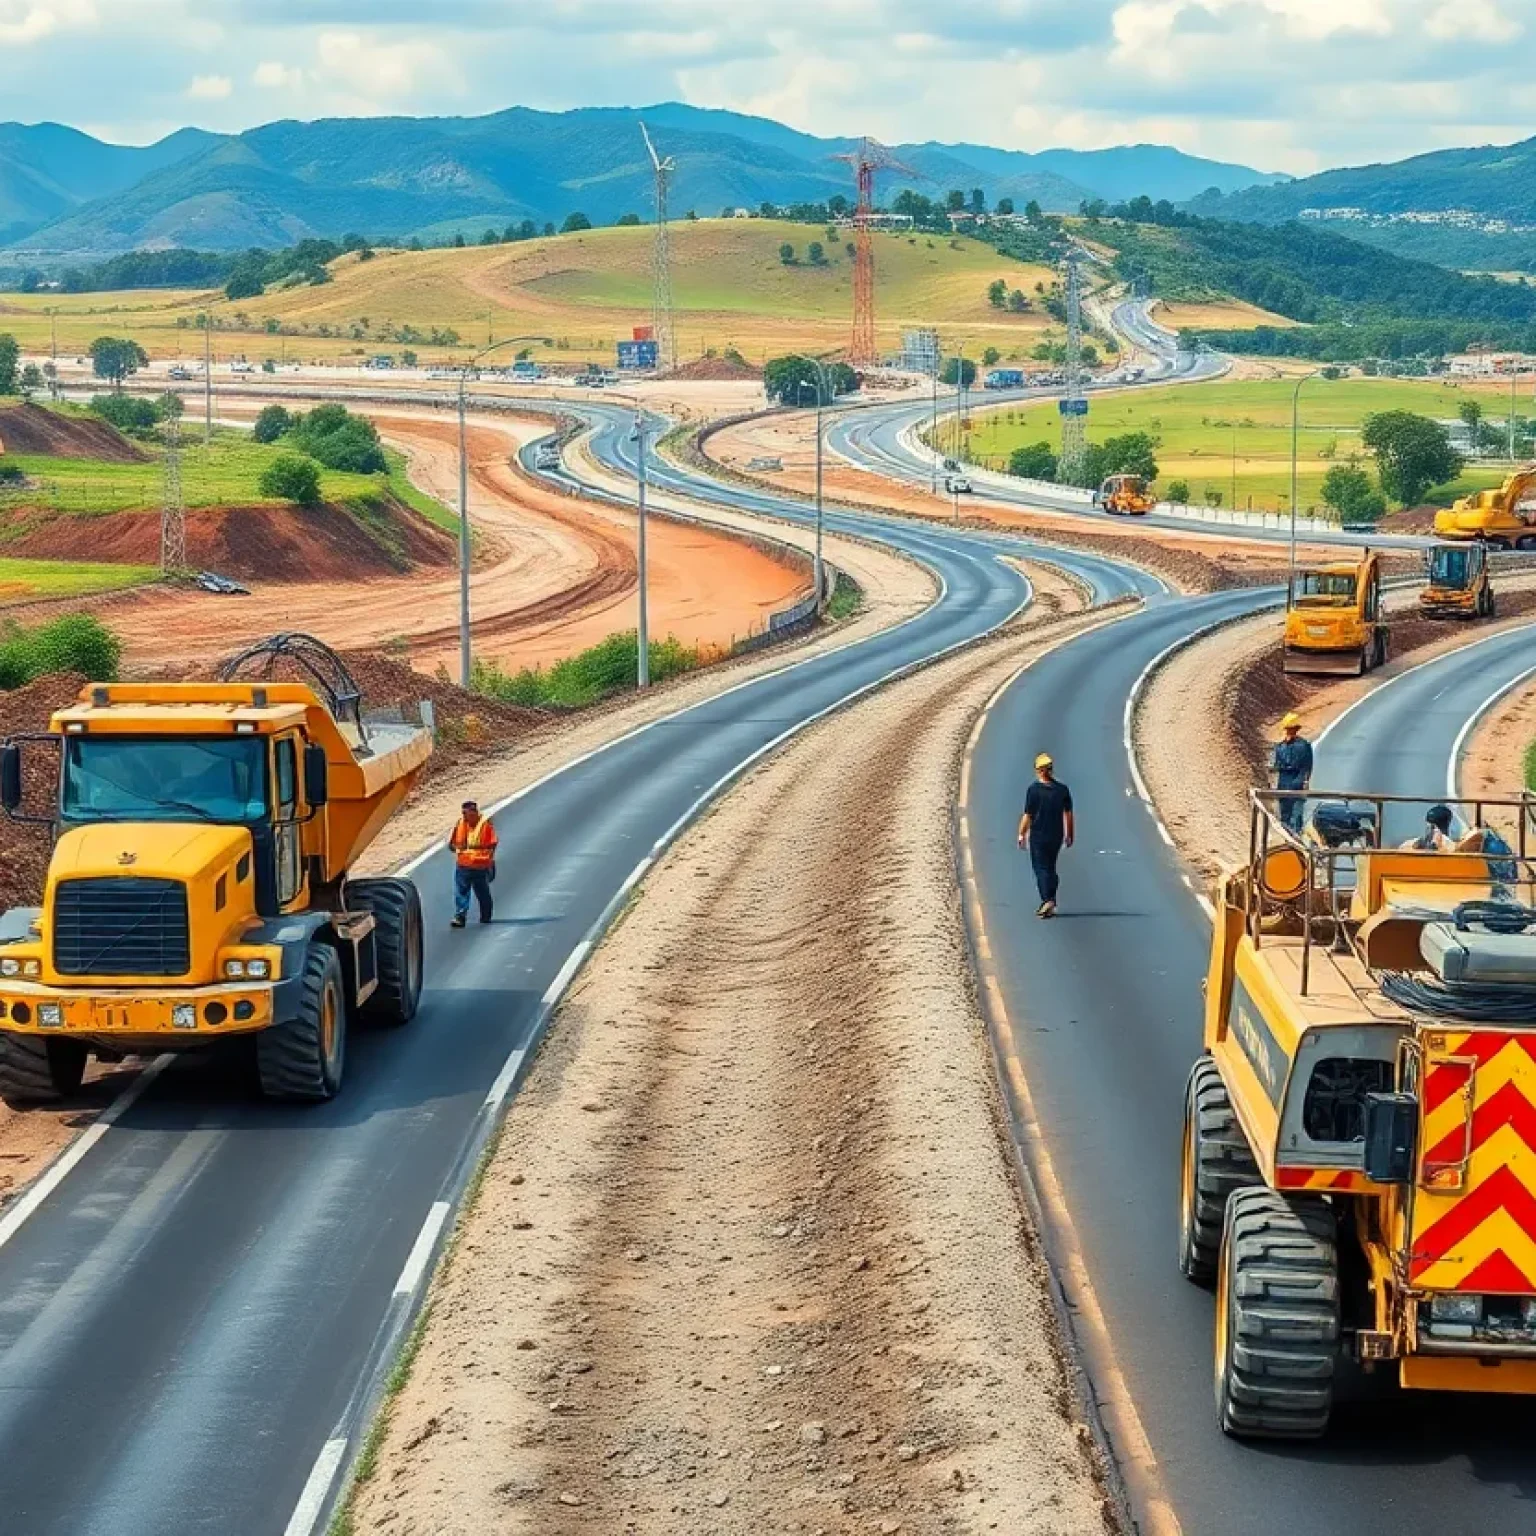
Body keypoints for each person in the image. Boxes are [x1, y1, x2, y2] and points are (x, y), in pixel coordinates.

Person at [1017, 752, 1074, 919]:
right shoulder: (1062, 790)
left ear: (1039, 770)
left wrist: (1021, 834)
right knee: (1050, 867)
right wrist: (1070, 834)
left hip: (1039, 836)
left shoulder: (1034, 791)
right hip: (1056, 835)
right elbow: (1069, 814)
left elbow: (1028, 815)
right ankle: (1051, 899)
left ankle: (1047, 899)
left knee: (1041, 868)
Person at [449, 800, 497, 927]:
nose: (465, 816)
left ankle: (485, 916)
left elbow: (492, 844)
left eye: (467, 813)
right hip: (464, 864)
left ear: (474, 812)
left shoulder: (484, 824)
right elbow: (452, 844)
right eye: (463, 813)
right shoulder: (460, 824)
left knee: (482, 891)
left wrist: (490, 862)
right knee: (462, 891)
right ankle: (460, 916)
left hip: (480, 865)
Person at [1272, 713, 1313, 837]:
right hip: (1295, 783)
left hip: (1285, 784)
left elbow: (1277, 766)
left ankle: (1288, 841)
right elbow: (1308, 766)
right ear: (1296, 729)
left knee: (1286, 817)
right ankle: (1296, 842)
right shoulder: (1304, 745)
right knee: (1295, 817)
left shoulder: (1280, 747)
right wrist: (1306, 781)